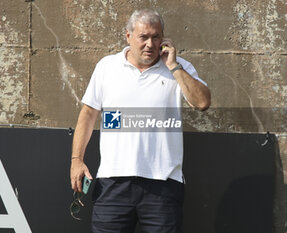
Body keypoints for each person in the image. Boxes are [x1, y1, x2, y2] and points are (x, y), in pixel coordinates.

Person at [70, 9, 211, 233]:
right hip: (113, 182)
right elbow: (88, 114)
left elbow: (202, 102)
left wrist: (174, 67)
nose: (150, 44)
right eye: (143, 37)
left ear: (164, 39)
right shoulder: (107, 67)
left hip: (163, 184)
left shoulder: (179, 68)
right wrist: (77, 159)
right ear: (128, 36)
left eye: (156, 37)